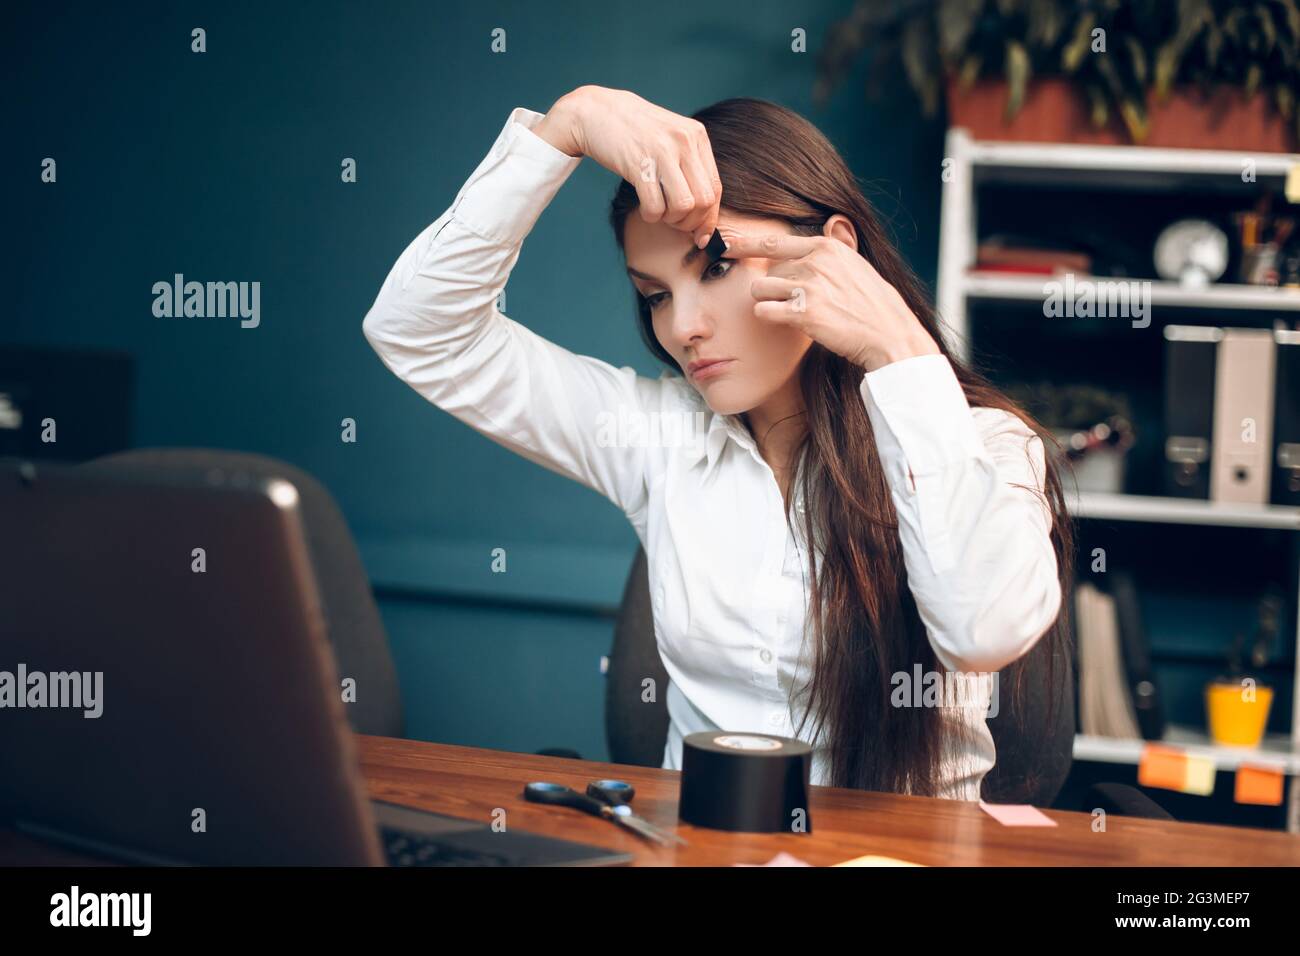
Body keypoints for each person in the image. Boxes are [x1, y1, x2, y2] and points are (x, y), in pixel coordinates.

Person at [362, 85, 1075, 799]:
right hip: (698, 842)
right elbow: (419, 331)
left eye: (716, 266)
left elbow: (981, 632)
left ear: (834, 257)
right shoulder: (656, 437)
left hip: (897, 848)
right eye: (656, 295)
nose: (683, 328)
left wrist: (897, 351)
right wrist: (567, 124)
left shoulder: (985, 443)